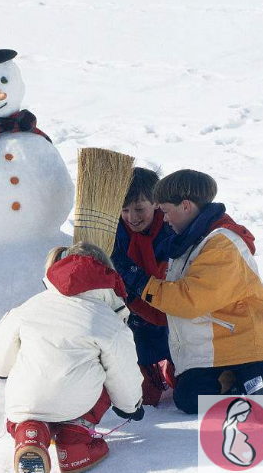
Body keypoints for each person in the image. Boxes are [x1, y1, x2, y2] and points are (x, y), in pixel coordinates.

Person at [139, 169, 263, 415]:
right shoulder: (187, 242)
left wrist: (142, 284)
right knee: (188, 400)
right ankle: (239, 381)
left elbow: (189, 300)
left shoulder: (221, 244)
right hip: (212, 348)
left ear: (185, 206)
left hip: (246, 342)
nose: (163, 219)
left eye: (165, 211)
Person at [0, 242, 144, 473]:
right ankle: (74, 446)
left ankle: (29, 434)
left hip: (26, 400)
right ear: (107, 275)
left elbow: (2, 345)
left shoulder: (30, 306)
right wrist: (130, 406)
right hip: (78, 402)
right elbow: (123, 371)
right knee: (108, 371)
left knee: (27, 373)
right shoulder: (108, 320)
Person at [111, 168, 176, 406]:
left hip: (170, 313)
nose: (132, 216)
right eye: (125, 209)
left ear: (156, 203)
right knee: (146, 397)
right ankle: (149, 366)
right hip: (133, 314)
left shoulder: (170, 229)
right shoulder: (113, 232)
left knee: (186, 390)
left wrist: (130, 272)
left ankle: (169, 366)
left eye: (139, 209)